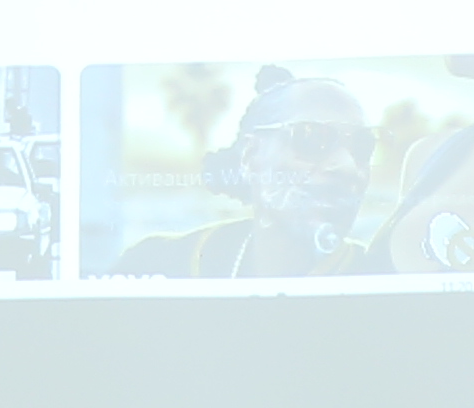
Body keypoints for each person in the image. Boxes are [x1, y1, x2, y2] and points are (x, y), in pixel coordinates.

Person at [127, 65, 379, 277]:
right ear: (250, 156)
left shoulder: (382, 278)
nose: (348, 167)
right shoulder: (156, 264)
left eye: (363, 147)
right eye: (312, 138)